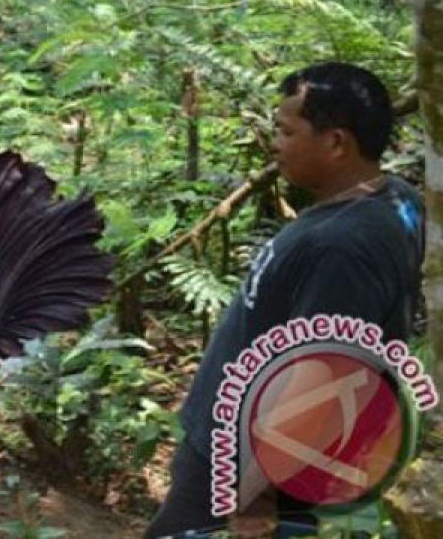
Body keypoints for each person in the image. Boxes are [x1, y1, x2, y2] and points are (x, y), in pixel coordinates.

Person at [145, 62, 423, 539]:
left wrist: (254, 496)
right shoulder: (395, 198)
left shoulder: (345, 246)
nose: (274, 144)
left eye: (285, 130)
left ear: (336, 143)